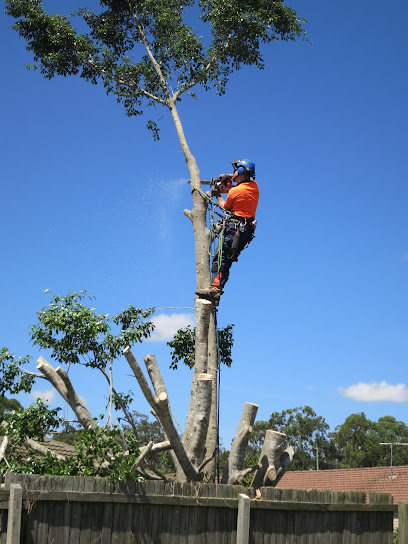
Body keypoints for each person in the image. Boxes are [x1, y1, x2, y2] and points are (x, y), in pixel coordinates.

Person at [195, 158, 259, 302]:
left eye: (236, 170)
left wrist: (217, 194)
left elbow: (225, 207)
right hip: (245, 230)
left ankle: (215, 289)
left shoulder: (236, 191)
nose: (233, 172)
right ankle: (215, 290)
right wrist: (227, 176)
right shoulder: (254, 187)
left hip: (234, 229)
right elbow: (237, 188)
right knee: (226, 259)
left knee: (221, 258)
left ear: (241, 171)